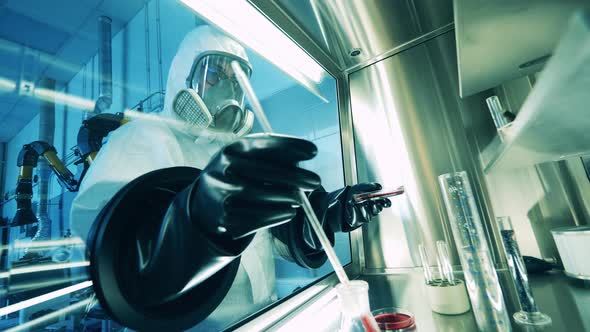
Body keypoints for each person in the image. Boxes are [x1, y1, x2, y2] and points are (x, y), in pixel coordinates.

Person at [70, 25, 391, 331]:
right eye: (214, 74)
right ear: (183, 76)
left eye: (237, 80)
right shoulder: (143, 136)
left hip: (263, 318)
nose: (228, 89)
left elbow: (271, 235)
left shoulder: (236, 152)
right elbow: (104, 239)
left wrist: (322, 218)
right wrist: (193, 225)